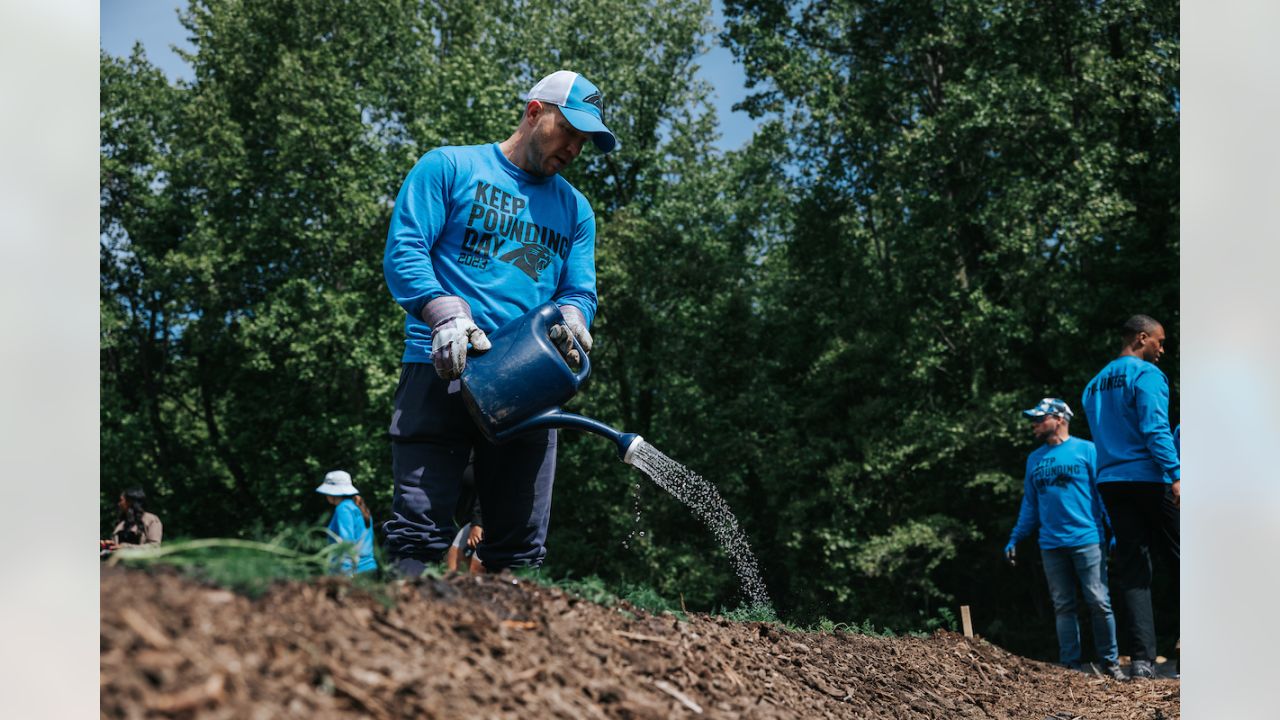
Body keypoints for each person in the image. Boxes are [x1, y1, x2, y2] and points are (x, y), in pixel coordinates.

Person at [382, 70, 617, 577]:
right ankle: (402, 633)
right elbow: (405, 250)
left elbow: (578, 290)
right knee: (418, 535)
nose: (575, 148)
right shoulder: (449, 166)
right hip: (440, 365)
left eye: (585, 140)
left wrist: (576, 317)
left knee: (516, 549)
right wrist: (443, 312)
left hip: (527, 384)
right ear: (535, 112)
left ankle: (502, 648)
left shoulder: (576, 211)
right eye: (569, 131)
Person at [1080, 314, 1180, 680]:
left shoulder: (1093, 385)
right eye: (1160, 341)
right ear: (1142, 338)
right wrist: (1176, 475)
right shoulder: (1147, 375)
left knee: (1134, 570)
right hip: (1150, 479)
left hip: (1111, 482)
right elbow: (1155, 428)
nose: (1162, 349)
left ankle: (1141, 661)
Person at [1004, 398, 1125, 681]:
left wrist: (1115, 530)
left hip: (1087, 539)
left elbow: (1103, 494)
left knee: (1098, 601)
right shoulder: (1034, 459)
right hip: (1051, 544)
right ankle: (1071, 668)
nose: (1034, 424)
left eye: (1039, 418)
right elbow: (1030, 504)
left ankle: (1111, 665)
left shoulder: (1087, 450)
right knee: (1063, 606)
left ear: (1059, 419)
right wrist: (1015, 536)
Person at [315, 470, 378, 575]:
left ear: (331, 493)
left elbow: (346, 544)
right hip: (368, 569)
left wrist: (345, 574)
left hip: (352, 572)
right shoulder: (359, 507)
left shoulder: (343, 508)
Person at [103, 487, 163, 551]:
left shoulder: (151, 519)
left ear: (130, 502)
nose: (119, 504)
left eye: (121, 500)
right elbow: (118, 546)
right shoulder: (121, 522)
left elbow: (154, 547)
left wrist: (125, 547)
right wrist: (110, 545)